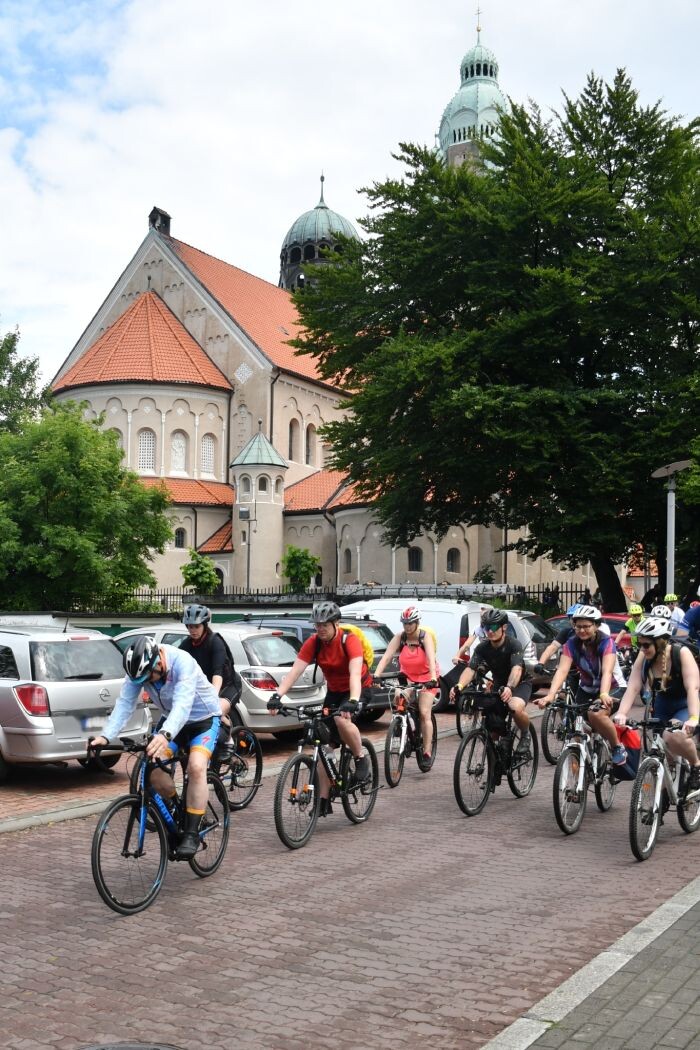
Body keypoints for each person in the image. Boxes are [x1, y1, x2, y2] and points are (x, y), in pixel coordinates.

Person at [90, 636, 222, 859]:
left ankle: (191, 832)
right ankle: (175, 809)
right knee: (152, 767)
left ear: (159, 660)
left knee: (196, 767)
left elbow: (183, 705)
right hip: (173, 721)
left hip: (203, 720)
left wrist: (164, 734)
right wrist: (105, 736)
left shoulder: (183, 663)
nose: (147, 682)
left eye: (148, 677)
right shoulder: (139, 670)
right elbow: (125, 703)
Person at [267, 601, 372, 816]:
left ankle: (361, 757)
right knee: (323, 745)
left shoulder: (348, 640)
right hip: (334, 692)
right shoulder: (314, 643)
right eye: (317, 625)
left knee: (342, 720)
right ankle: (323, 799)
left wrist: (352, 700)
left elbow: (354, 674)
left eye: (325, 624)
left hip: (358, 688)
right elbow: (295, 671)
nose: (320, 628)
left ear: (336, 623)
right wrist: (278, 695)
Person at [614, 616, 700, 792]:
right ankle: (662, 796)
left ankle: (696, 765)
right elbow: (633, 687)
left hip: (685, 705)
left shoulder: (681, 653)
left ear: (660, 643)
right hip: (662, 705)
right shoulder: (643, 657)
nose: (642, 649)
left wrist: (693, 718)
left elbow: (693, 688)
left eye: (646, 645)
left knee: (672, 736)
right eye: (640, 644)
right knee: (660, 751)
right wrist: (622, 713)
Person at [536, 605, 626, 765]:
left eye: (586, 626)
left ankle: (617, 747)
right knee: (576, 730)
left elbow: (607, 671)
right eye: (578, 627)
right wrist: (550, 695)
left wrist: (604, 694)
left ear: (596, 626)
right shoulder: (571, 644)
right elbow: (562, 671)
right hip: (586, 690)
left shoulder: (606, 642)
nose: (582, 630)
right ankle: (578, 783)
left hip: (613, 688)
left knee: (595, 714)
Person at [452, 608, 532, 749]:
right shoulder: (482, 648)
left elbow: (517, 669)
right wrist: (459, 686)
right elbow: (471, 669)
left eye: (494, 627)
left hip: (519, 683)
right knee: (492, 729)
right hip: (499, 683)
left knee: (514, 707)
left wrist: (510, 687)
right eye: (486, 627)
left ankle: (525, 734)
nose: (490, 631)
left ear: (504, 627)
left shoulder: (513, 644)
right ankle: (496, 756)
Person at [374, 605, 438, 764]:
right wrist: (376, 675)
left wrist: (432, 678)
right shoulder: (400, 637)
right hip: (408, 676)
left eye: (410, 623)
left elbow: (430, 658)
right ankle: (402, 726)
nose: (407, 627)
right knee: (399, 698)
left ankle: (427, 751)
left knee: (424, 712)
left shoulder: (425, 637)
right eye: (404, 623)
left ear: (417, 622)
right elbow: (386, 657)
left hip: (427, 676)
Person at [178, 603, 241, 755]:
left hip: (228, 686)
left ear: (205, 625)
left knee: (216, 710)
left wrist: (212, 699)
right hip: (205, 689)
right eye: (189, 627)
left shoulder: (215, 642)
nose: (192, 630)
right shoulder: (186, 645)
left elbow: (217, 673)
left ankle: (229, 738)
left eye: (196, 626)